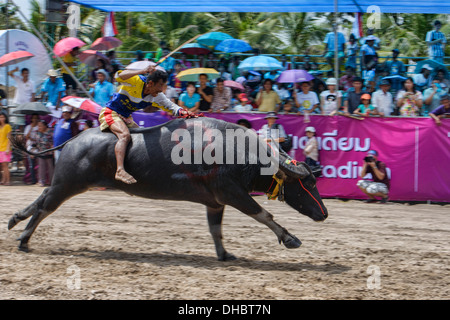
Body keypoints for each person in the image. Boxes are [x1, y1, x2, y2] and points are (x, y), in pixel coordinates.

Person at [98, 66, 195, 184]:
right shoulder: (136, 80)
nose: (161, 90)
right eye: (159, 86)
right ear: (150, 83)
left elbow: (171, 106)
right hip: (111, 113)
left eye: (163, 86)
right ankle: (119, 170)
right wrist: (142, 70)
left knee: (141, 139)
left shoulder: (157, 95)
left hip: (126, 118)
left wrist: (184, 112)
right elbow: (118, 76)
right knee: (125, 135)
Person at [35, 120, 54, 187]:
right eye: (38, 126)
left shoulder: (50, 132)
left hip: (49, 153)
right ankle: (41, 181)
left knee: (50, 168)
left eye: (40, 126)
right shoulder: (37, 133)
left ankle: (52, 182)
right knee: (41, 168)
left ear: (45, 126)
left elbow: (52, 142)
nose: (39, 127)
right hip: (41, 152)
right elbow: (36, 142)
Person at [23, 113, 40, 185]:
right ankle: (33, 179)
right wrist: (31, 128)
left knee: (38, 164)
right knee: (31, 164)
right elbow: (26, 137)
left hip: (38, 146)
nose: (35, 119)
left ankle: (39, 179)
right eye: (33, 118)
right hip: (30, 146)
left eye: (36, 118)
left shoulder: (39, 126)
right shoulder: (28, 127)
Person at [0, 112, 12, 186]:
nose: (1, 119)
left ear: (5, 118)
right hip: (0, 148)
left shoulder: (7, 126)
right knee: (2, 165)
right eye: (0, 117)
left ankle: (8, 180)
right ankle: (3, 180)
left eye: (3, 117)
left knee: (5, 165)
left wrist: (8, 148)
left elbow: (9, 138)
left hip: (5, 148)